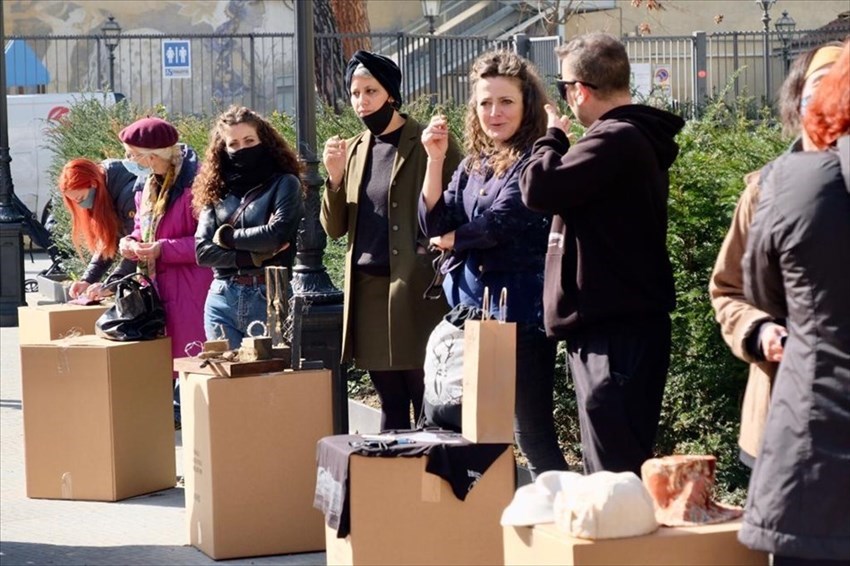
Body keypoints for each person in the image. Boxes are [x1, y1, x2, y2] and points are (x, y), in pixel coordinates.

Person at [519, 33, 684, 476]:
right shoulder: (627, 139)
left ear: (580, 90)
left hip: (614, 335)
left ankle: (622, 550)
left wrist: (551, 138)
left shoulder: (615, 140)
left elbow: (538, 187)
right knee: (614, 473)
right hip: (617, 329)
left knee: (614, 477)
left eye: (563, 87)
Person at [419, 50, 566, 477]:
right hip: (472, 317)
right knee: (472, 432)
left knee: (531, 433)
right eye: (485, 103)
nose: (494, 113)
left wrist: (451, 240)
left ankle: (569, 524)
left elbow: (499, 223)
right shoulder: (472, 164)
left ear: (527, 106)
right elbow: (433, 219)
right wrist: (433, 159)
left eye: (505, 102)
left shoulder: (535, 160)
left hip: (519, 317)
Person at [739, 41, 850, 565]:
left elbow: (763, 284)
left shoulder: (788, 184)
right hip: (789, 409)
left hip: (811, 422)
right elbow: (737, 293)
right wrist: (760, 331)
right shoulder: (768, 182)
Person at [709, 43, 843, 468]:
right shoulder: (764, 191)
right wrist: (761, 331)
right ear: (798, 103)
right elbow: (727, 288)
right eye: (817, 92)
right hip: (784, 415)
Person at [320, 50, 462, 430]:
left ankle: (428, 480)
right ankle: (391, 481)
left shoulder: (426, 142)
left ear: (391, 95)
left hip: (416, 289)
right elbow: (335, 229)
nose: (362, 101)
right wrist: (333, 179)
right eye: (355, 93)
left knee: (425, 396)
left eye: (371, 91)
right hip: (367, 291)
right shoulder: (353, 149)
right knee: (389, 398)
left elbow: (456, 207)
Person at [117, 116, 213, 428]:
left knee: (191, 363)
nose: (132, 162)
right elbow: (140, 228)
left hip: (191, 288)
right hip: (159, 287)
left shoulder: (196, 183)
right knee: (167, 362)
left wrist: (162, 249)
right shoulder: (147, 184)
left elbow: (207, 241)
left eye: (134, 155)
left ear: (153, 155)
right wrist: (130, 242)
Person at [193, 105, 304, 348]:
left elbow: (276, 236)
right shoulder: (216, 190)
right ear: (223, 148)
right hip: (222, 296)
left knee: (271, 381)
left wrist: (226, 237)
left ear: (263, 140)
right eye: (233, 144)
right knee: (227, 382)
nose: (242, 148)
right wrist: (252, 256)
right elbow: (202, 252)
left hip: (269, 294)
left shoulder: (285, 184)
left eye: (249, 140)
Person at [57, 158, 137, 299]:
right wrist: (87, 280)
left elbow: (137, 247)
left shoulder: (129, 196)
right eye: (76, 201)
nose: (81, 205)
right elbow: (107, 241)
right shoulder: (106, 188)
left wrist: (110, 286)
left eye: (81, 198)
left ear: (94, 183)